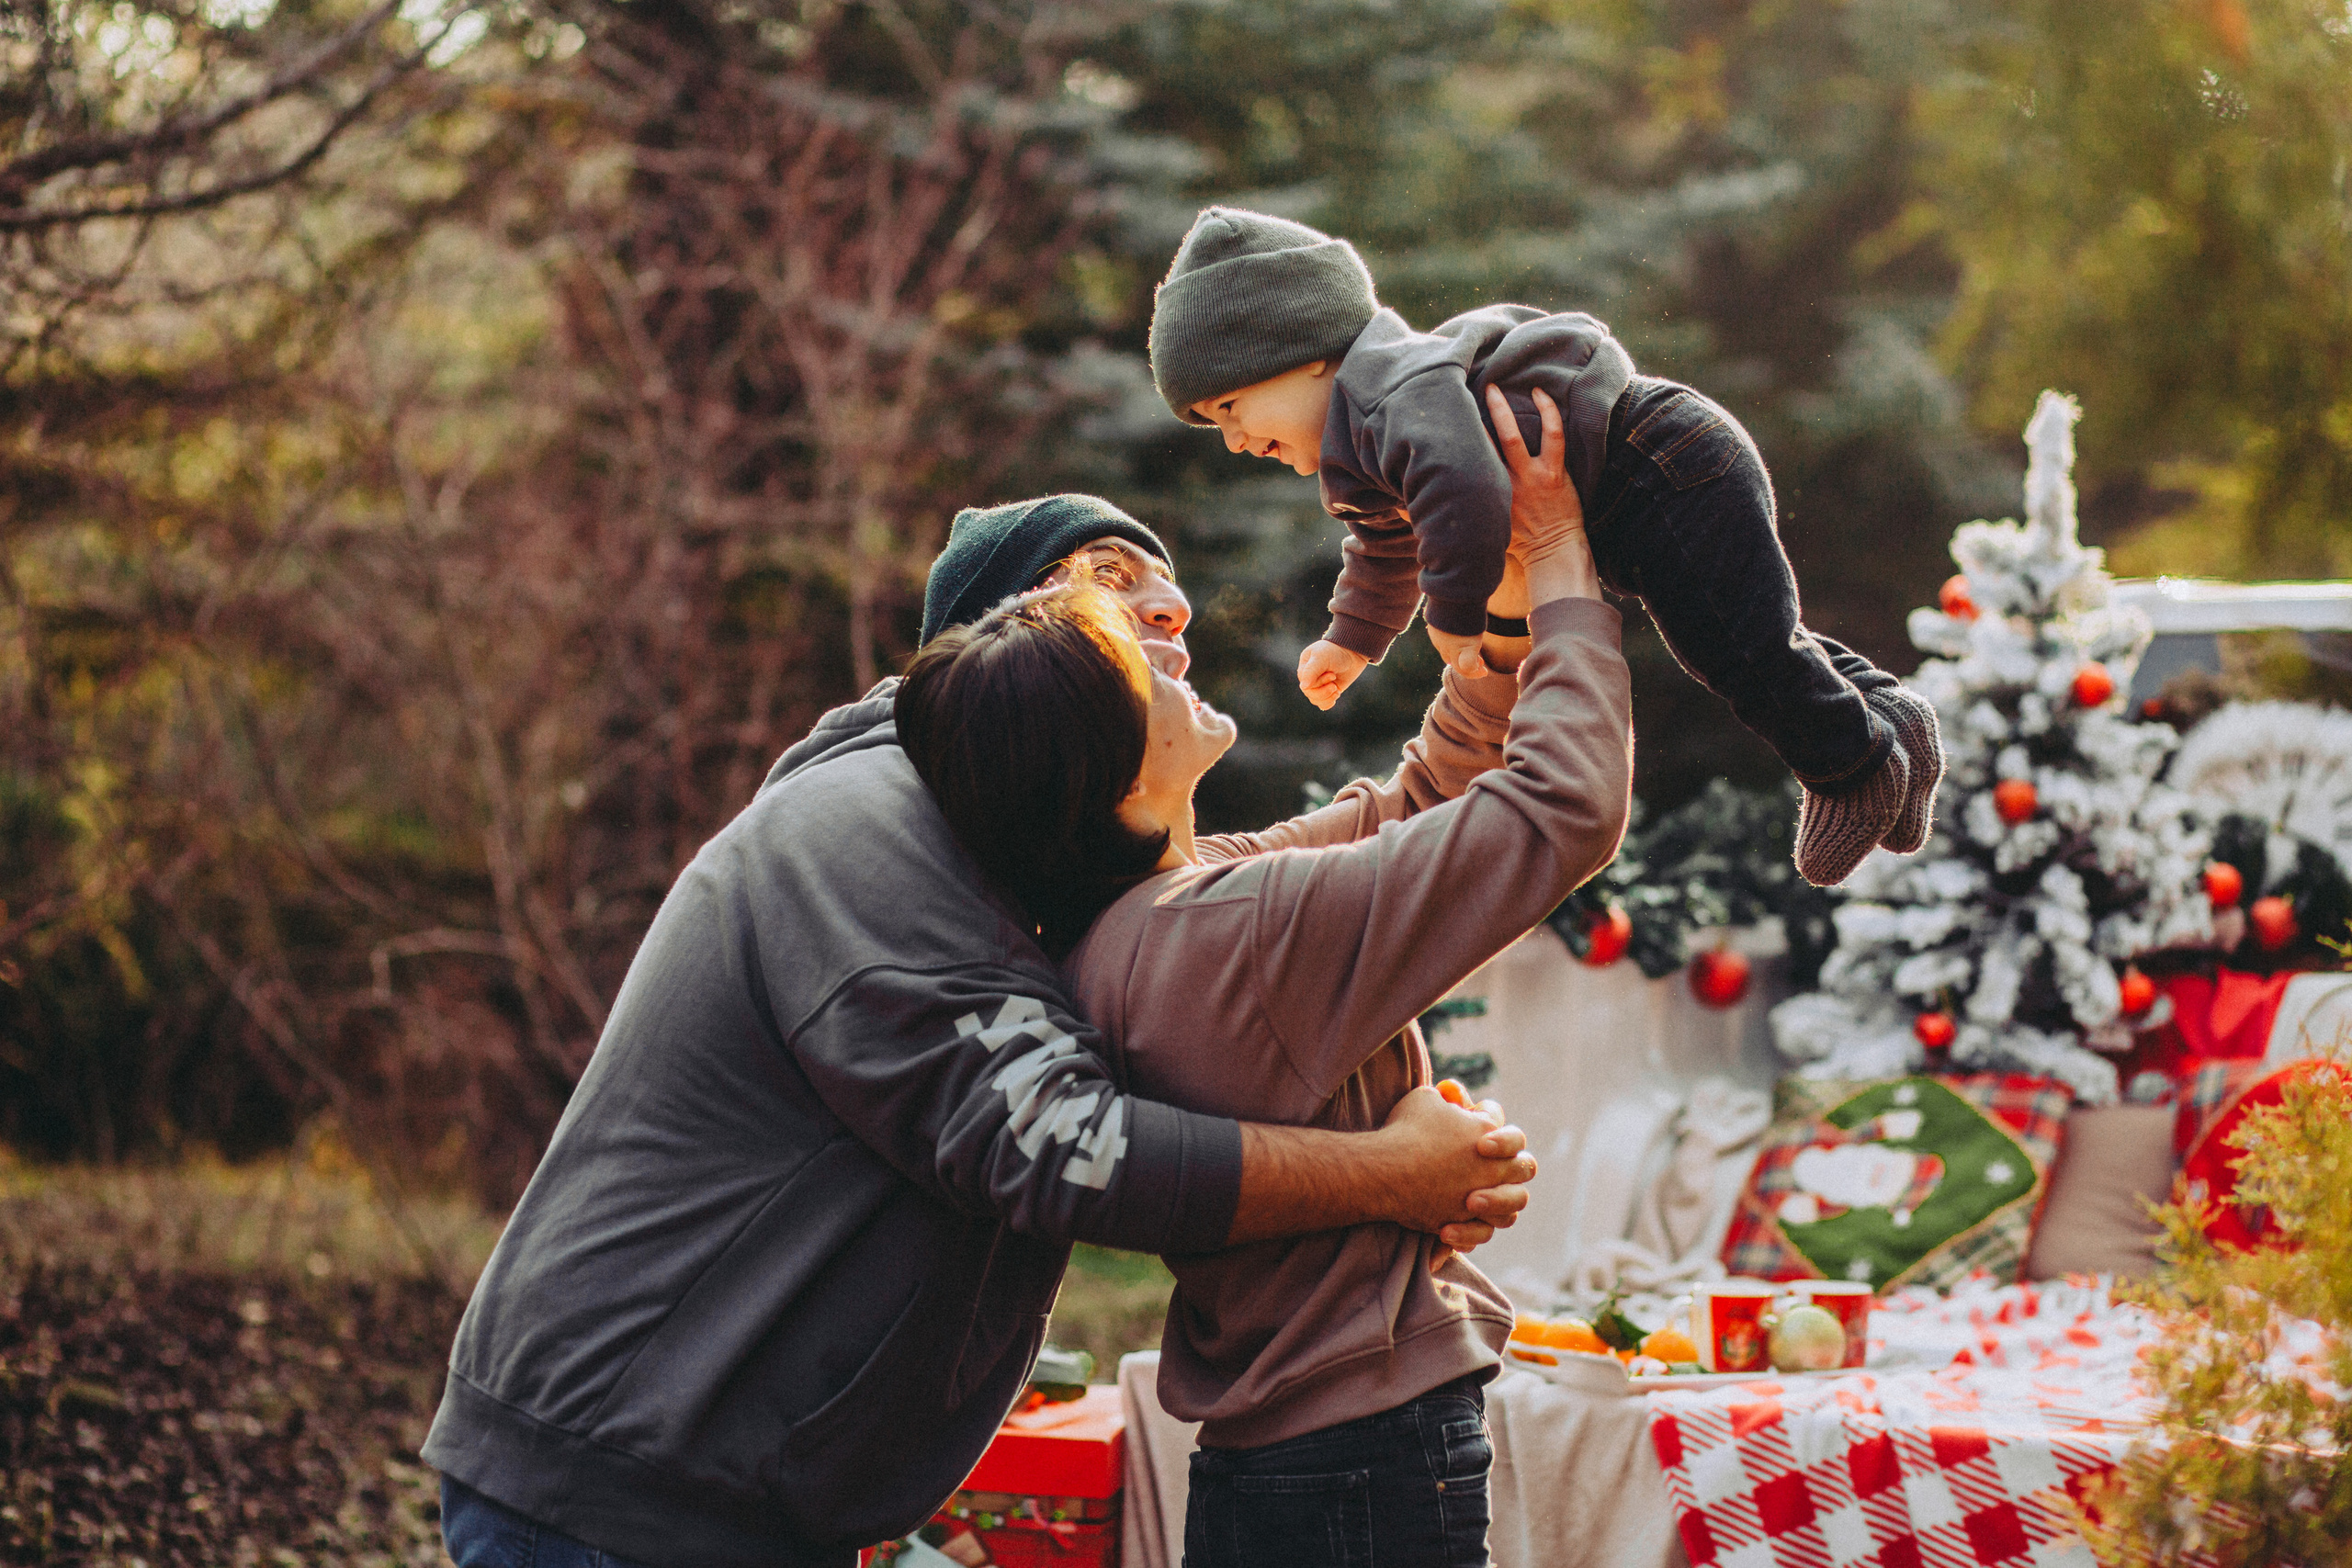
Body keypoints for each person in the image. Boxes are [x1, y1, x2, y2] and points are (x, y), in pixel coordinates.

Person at [421, 493, 1540, 1568]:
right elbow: (1060, 1147)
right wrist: (1391, 1178)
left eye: (1168, 589)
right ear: (1009, 630)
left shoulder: (1051, 851)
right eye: (1110, 578)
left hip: (731, 1492)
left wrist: (1506, 628)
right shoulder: (873, 828)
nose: (1170, 609)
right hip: (627, 1491)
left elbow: (1385, 836)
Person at [894, 393, 1629, 1566]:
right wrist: (1561, 571)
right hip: (1365, 1465)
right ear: (1105, 757)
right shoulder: (1221, 928)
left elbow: (1414, 806)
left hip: (1291, 1460)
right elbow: (1560, 807)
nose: (1166, 638)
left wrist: (1504, 626)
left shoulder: (1139, 913)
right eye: (1122, 652)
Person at [1146, 204, 1946, 888]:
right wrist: (1353, 637)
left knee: (1736, 647)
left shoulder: (1394, 387)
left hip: (1660, 464)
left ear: (1303, 351)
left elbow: (1465, 490)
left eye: (1232, 406)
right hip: (1640, 492)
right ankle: (1888, 714)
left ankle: (1850, 767)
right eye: (1214, 425)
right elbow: (1387, 541)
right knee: (1746, 630)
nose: (1234, 439)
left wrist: (1455, 614)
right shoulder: (1361, 442)